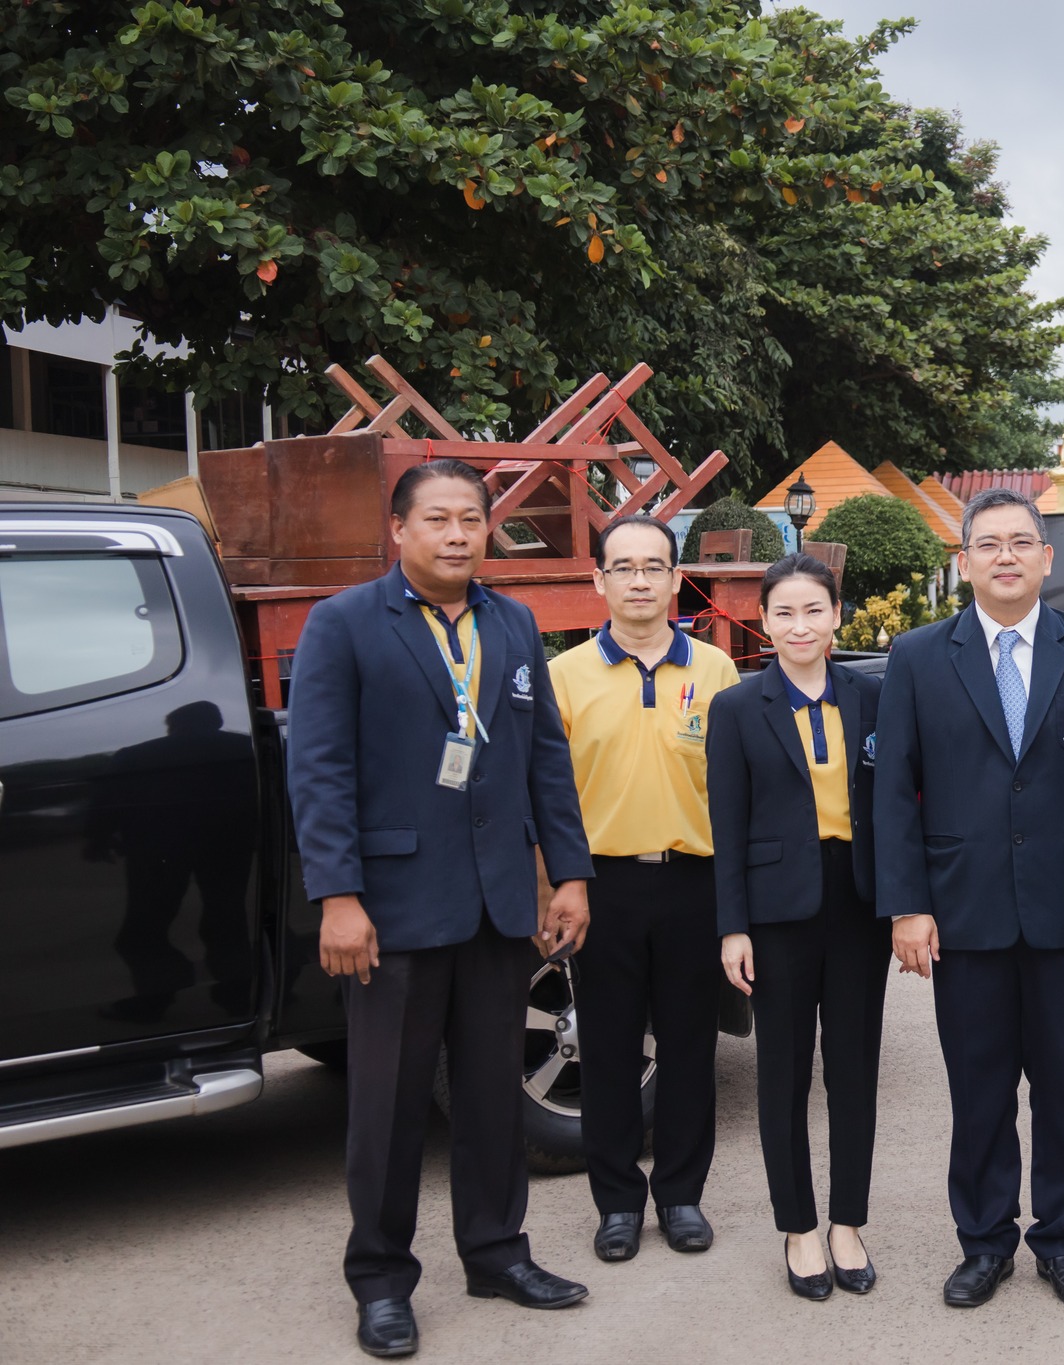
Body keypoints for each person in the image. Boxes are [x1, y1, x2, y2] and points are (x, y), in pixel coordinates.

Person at [289, 458, 595, 1359]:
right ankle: (381, 1279)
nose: (458, 533)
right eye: (438, 519)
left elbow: (546, 756)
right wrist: (338, 897)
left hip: (501, 906)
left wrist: (567, 873)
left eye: (472, 517)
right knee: (384, 1106)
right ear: (399, 530)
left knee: (494, 1093)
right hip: (393, 907)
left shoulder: (513, 622)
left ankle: (498, 1251)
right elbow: (321, 772)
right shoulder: (344, 624)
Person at [874, 487, 1064, 1311]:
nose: (1005, 556)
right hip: (962, 914)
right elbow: (895, 792)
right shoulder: (920, 656)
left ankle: (1063, 1238)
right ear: (963, 562)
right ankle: (985, 1240)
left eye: (1020, 542)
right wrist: (906, 906)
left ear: (1046, 558)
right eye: (987, 543)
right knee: (980, 1088)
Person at [549, 513, 738, 1263]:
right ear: (598, 579)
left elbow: (736, 787)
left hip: (695, 881)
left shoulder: (717, 670)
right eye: (622, 566)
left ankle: (683, 1195)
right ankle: (618, 1202)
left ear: (674, 577)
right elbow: (549, 793)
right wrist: (555, 886)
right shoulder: (565, 675)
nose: (638, 580)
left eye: (653, 566)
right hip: (603, 888)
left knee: (692, 1047)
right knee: (609, 1048)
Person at [710, 554, 890, 1300]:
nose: (799, 626)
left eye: (814, 610)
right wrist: (732, 925)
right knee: (783, 1075)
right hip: (776, 914)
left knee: (853, 1070)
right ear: (763, 620)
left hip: (857, 907)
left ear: (837, 614)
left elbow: (896, 806)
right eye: (784, 612)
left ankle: (848, 1220)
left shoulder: (872, 696)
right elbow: (725, 823)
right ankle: (798, 1227)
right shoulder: (737, 706)